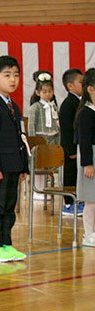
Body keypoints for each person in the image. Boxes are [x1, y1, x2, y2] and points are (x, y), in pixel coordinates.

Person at [0, 55, 29, 262]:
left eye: (16, 75)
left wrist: (24, 167)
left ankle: (6, 243)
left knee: (10, 206)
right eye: (7, 75)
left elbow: (22, 137)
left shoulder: (14, 106)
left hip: (13, 165)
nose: (13, 80)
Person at [60, 68, 85, 215]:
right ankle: (69, 204)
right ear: (70, 86)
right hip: (70, 149)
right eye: (81, 82)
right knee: (70, 175)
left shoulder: (80, 102)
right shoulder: (68, 104)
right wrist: (71, 151)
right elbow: (67, 130)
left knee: (78, 175)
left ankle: (79, 200)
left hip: (79, 147)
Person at [76, 69, 95, 247]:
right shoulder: (86, 113)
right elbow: (84, 141)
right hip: (91, 158)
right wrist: (88, 163)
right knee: (91, 199)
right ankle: (89, 234)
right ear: (90, 89)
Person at [27, 71, 60, 145]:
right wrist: (33, 142)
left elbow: (57, 123)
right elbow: (31, 125)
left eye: (50, 91)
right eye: (44, 92)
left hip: (53, 139)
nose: (48, 94)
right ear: (38, 92)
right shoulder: (35, 107)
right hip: (40, 139)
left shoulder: (53, 106)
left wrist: (58, 142)